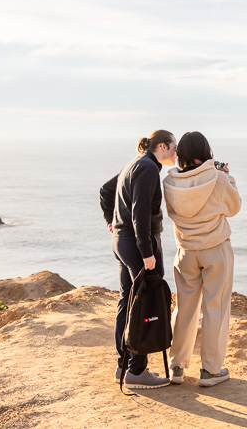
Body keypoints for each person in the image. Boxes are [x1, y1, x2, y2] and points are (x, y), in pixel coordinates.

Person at [99, 129, 177, 390]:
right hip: (137, 244)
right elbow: (140, 214)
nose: (176, 154)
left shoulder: (135, 163)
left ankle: (124, 364)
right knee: (144, 302)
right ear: (163, 147)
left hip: (122, 243)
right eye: (174, 148)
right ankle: (137, 370)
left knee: (128, 300)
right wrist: (147, 253)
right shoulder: (146, 169)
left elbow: (105, 190)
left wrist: (111, 221)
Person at [162, 131, 241, 387]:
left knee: (184, 307)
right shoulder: (217, 178)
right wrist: (227, 176)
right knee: (215, 306)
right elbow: (233, 207)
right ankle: (210, 370)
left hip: (185, 251)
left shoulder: (169, 182)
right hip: (215, 247)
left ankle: (176, 366)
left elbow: (174, 213)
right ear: (207, 151)